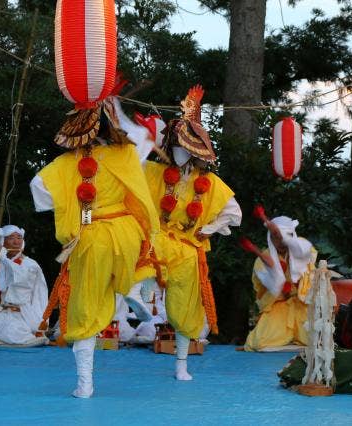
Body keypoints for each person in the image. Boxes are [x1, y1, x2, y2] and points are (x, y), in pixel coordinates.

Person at [30, 97, 159, 398]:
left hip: (91, 234)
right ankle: (129, 285)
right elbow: (142, 141)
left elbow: (38, 188)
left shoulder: (67, 164)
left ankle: (85, 385)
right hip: (126, 231)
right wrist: (116, 109)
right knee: (142, 259)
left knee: (85, 308)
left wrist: (71, 203)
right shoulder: (126, 153)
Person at [138, 85, 241, 380]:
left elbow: (235, 214)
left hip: (189, 249)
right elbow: (131, 185)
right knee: (145, 242)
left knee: (185, 309)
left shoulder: (211, 183)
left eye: (185, 148)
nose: (179, 153)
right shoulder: (154, 173)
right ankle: (142, 286)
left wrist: (210, 228)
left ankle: (181, 364)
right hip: (159, 240)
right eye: (176, 147)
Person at [243, 216, 317, 351]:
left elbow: (310, 282)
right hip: (278, 305)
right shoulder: (262, 260)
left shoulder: (303, 254)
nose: (280, 242)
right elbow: (263, 290)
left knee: (314, 338)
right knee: (260, 341)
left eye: (283, 238)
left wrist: (297, 284)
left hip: (301, 303)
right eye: (276, 238)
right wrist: (279, 284)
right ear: (270, 238)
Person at [0, 225, 49, 346]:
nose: (16, 241)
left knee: (12, 331)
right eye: (11, 238)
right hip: (1, 312)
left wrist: (4, 258)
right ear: (3, 242)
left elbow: (21, 279)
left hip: (22, 314)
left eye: (19, 238)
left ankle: (28, 337)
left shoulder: (29, 264)